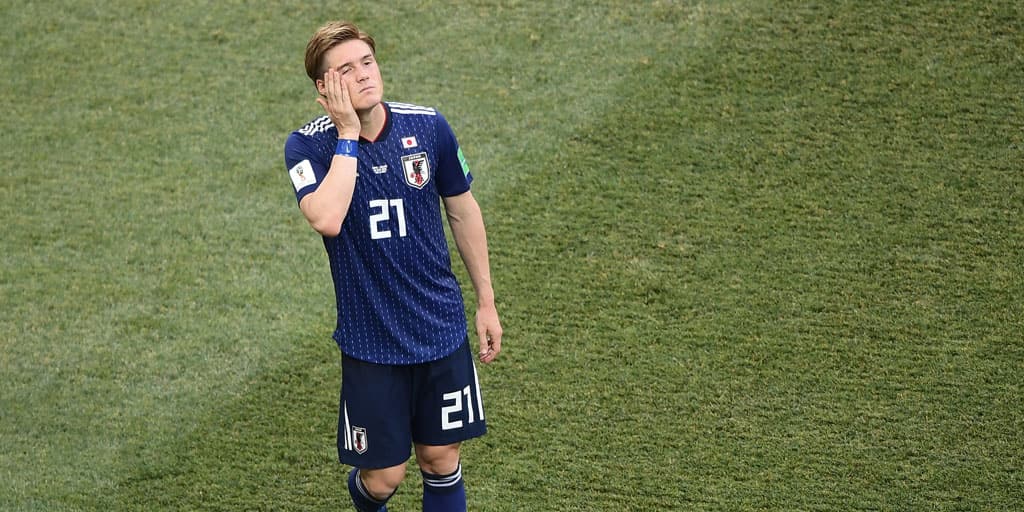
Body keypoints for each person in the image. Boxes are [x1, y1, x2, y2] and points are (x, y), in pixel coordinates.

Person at [282, 21, 503, 512]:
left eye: (367, 62)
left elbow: (463, 210)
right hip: (371, 340)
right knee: (383, 479)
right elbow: (327, 218)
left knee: (441, 458)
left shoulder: (428, 127)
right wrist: (348, 135)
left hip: (439, 327)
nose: (363, 74)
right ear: (323, 87)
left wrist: (486, 302)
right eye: (345, 70)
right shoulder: (307, 146)